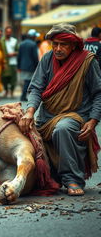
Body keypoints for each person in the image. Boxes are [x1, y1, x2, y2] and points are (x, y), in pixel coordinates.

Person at [19, 23, 101, 196]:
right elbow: (36, 88)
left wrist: (93, 120)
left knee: (62, 129)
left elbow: (98, 93)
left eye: (63, 44)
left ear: (73, 45)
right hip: (47, 117)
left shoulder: (87, 61)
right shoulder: (47, 59)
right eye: (54, 44)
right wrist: (30, 111)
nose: (57, 48)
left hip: (75, 116)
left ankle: (73, 178)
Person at [17, 29, 39, 101]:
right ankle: (23, 95)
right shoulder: (33, 44)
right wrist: (37, 66)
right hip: (31, 66)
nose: (35, 38)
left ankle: (24, 95)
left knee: (26, 81)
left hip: (23, 66)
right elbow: (35, 57)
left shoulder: (22, 43)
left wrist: (18, 66)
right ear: (32, 36)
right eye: (35, 36)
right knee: (28, 81)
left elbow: (19, 56)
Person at [0, 26, 19, 98]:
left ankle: (12, 91)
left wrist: (13, 53)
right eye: (7, 32)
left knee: (13, 78)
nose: (8, 33)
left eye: (10, 32)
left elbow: (18, 51)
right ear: (5, 32)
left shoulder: (14, 41)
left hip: (12, 62)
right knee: (4, 78)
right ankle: (6, 90)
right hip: (4, 62)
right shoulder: (1, 41)